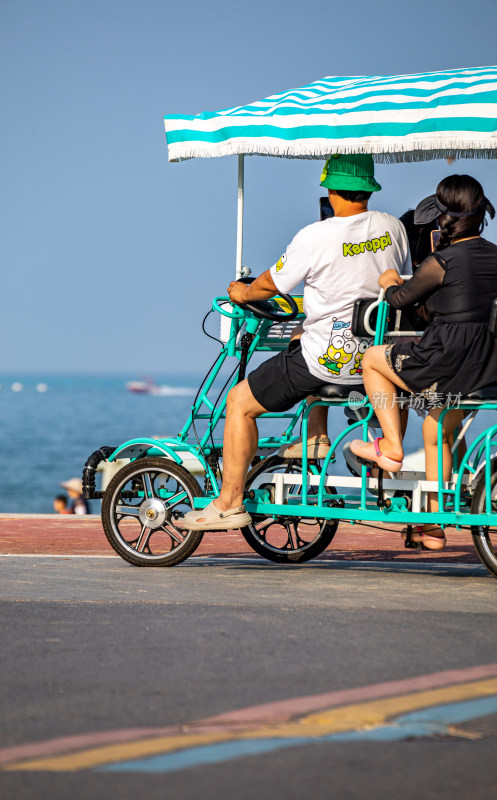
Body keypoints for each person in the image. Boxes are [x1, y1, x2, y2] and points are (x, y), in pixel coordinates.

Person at [183, 154, 410, 531]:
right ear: (369, 189)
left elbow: (271, 285)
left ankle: (228, 502)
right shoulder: (393, 227)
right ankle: (315, 436)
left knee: (239, 402)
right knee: (302, 333)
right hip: (376, 362)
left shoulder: (315, 236)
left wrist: (242, 293)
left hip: (329, 361)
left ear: (330, 189)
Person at [351, 174, 497, 550]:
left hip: (444, 359)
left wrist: (387, 280)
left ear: (443, 216)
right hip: (485, 364)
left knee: (372, 359)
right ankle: (432, 527)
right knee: (436, 431)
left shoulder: (441, 261)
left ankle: (390, 446)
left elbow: (399, 300)